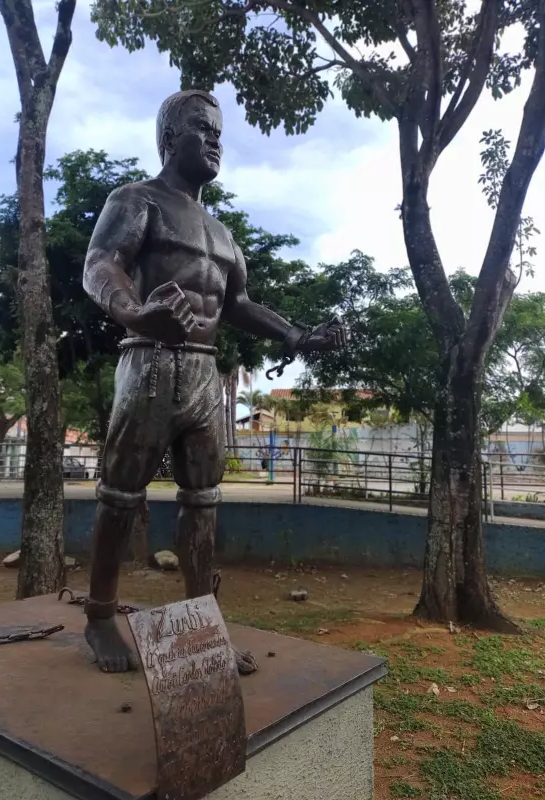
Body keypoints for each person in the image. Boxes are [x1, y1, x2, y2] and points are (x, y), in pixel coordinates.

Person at [82, 89, 347, 674]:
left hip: (204, 373)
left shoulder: (223, 234)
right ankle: (100, 617)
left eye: (220, 132)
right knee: (120, 495)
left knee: (203, 501)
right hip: (149, 359)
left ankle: (201, 622)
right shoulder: (135, 199)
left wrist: (296, 335)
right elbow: (101, 264)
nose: (216, 141)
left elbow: (240, 303)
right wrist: (131, 310)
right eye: (203, 129)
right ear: (170, 138)